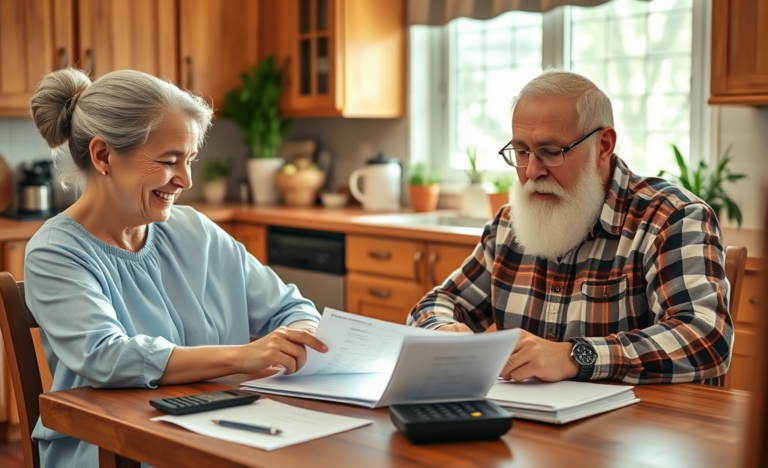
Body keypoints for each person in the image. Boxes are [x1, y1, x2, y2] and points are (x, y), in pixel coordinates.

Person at [26, 68, 327, 468]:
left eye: (189, 160)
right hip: (110, 449)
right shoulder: (55, 251)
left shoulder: (196, 230)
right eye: (170, 161)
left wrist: (301, 337)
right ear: (103, 156)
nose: (185, 179)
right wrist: (243, 357)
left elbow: (291, 308)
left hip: (220, 431)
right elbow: (106, 356)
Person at [407, 70, 732, 385]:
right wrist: (442, 330)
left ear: (603, 145)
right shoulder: (510, 223)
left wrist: (574, 357)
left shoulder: (670, 218)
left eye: (551, 152)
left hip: (639, 433)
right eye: (521, 152)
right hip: (529, 426)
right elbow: (438, 304)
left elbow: (705, 338)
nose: (533, 171)